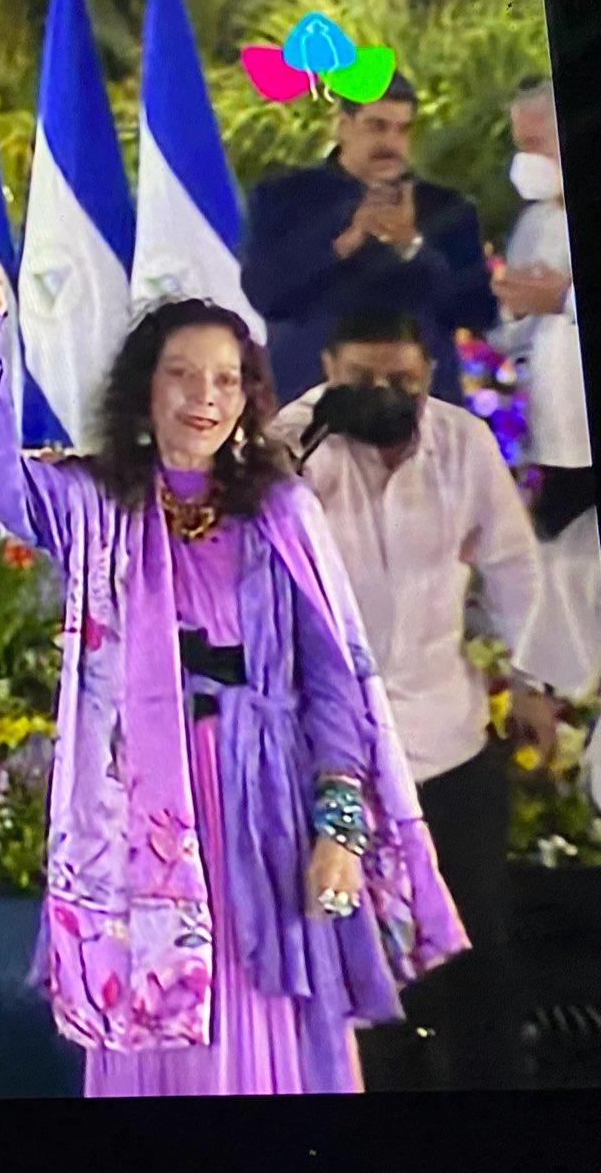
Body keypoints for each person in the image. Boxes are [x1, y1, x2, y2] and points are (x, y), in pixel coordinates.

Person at [0, 249, 465, 1096]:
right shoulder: (96, 501)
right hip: (139, 820)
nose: (205, 396)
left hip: (265, 817)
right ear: (145, 389)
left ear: (250, 397)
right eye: (183, 375)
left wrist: (338, 828)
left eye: (226, 379)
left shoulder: (281, 509)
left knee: (269, 1046)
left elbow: (334, 684)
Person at [271, 308, 577, 1091]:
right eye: (363, 378)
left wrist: (536, 680)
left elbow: (512, 567)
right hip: (331, 760)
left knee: (477, 957)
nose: (383, 392)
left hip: (449, 743)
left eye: (402, 378)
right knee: (360, 972)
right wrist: (292, 461)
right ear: (329, 365)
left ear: (428, 374)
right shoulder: (288, 444)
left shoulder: (462, 442)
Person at [241, 73, 497, 407]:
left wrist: (411, 246)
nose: (390, 142)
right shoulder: (283, 199)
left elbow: (477, 311)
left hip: (420, 409)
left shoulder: (447, 209)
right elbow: (265, 294)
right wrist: (343, 243)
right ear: (343, 126)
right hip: (311, 400)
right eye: (377, 126)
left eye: (402, 129)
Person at [489, 79, 599, 718]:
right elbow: (515, 333)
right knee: (559, 571)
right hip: (559, 441)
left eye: (535, 144)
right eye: (519, 145)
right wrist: (512, 302)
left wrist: (563, 297)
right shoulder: (532, 221)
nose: (524, 159)